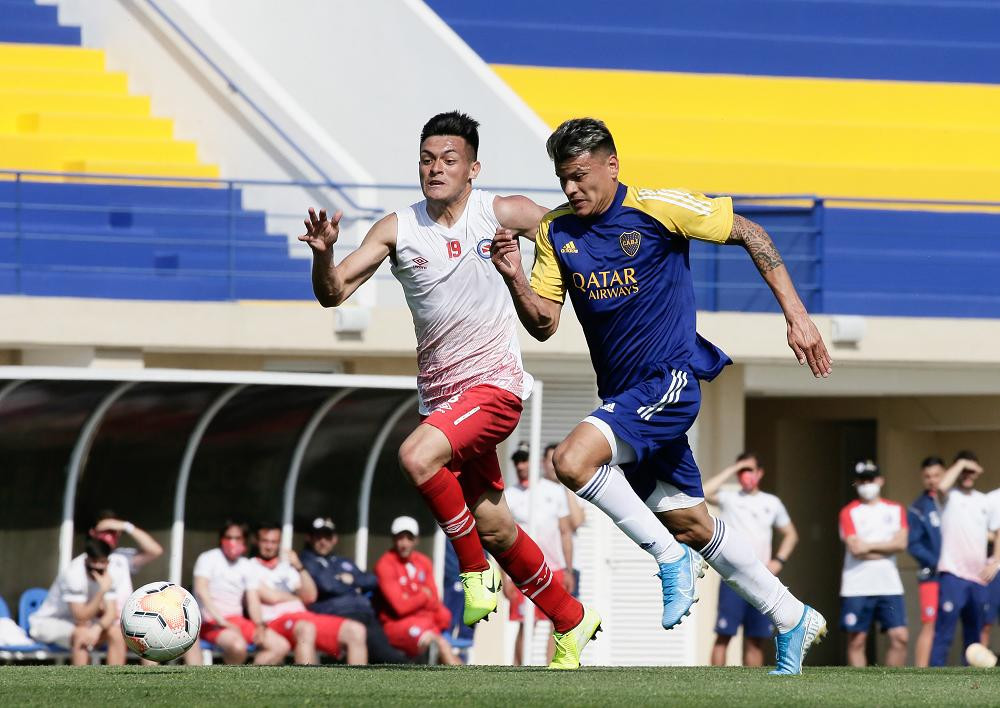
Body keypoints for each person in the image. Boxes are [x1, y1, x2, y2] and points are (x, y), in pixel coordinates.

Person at [490, 117, 830, 674]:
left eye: (579, 176)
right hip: (626, 396)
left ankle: (668, 560)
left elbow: (751, 232)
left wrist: (798, 318)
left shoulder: (656, 208)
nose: (572, 190)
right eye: (562, 180)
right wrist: (514, 278)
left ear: (611, 165)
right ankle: (791, 615)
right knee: (691, 522)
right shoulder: (556, 232)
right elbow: (545, 323)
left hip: (668, 381)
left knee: (570, 461)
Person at [300, 111, 599, 668]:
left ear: (473, 168)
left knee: (415, 455)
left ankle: (473, 573)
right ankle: (571, 619)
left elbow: (572, 231)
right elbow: (333, 292)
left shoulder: (499, 212)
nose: (436, 169)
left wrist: (588, 279)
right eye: (427, 159)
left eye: (449, 160)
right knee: (494, 523)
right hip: (444, 400)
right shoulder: (397, 228)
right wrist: (322, 254)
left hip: (495, 388)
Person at [703, 452, 798, 667]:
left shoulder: (771, 502)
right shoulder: (730, 498)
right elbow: (704, 492)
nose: (746, 475)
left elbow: (791, 534)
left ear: (760, 473)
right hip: (733, 577)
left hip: (761, 578)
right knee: (724, 635)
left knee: (756, 640)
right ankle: (714, 683)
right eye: (742, 471)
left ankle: (752, 688)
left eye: (750, 470)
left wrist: (779, 561)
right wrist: (732, 469)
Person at [250, 522, 367, 665]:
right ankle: (308, 686)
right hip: (274, 621)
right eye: (265, 541)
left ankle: (358, 686)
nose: (269, 546)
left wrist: (299, 567)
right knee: (306, 628)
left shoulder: (286, 567)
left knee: (356, 630)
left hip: (303, 617)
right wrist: (295, 598)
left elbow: (310, 596)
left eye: (274, 542)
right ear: (257, 542)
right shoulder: (249, 566)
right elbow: (271, 596)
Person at [300, 516, 410, 664]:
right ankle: (406, 666)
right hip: (336, 614)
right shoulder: (307, 561)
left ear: (335, 539)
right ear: (310, 538)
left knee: (383, 649)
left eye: (327, 537)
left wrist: (352, 580)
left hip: (364, 613)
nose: (323, 541)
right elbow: (326, 585)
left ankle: (404, 664)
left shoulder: (342, 561)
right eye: (318, 537)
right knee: (385, 656)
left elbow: (372, 580)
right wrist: (351, 585)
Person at [504, 447, 575, 664]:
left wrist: (568, 570)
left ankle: (550, 667)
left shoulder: (554, 491)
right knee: (526, 622)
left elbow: (565, 532)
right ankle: (518, 669)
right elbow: (502, 539)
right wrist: (506, 577)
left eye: (525, 461)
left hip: (553, 567)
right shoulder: (508, 495)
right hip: (523, 570)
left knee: (557, 621)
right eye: (517, 461)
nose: (521, 466)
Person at [930, 451, 1000, 666]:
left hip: (978, 578)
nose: (968, 474)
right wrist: (961, 463)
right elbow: (941, 486)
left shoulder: (984, 501)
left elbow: (997, 532)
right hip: (953, 574)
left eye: (972, 470)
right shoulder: (949, 496)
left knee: (975, 635)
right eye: (964, 470)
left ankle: (970, 678)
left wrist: (996, 562)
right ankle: (934, 677)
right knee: (945, 630)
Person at [837, 460, 908, 667]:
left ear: (880, 480)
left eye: (871, 479)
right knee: (857, 640)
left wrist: (868, 546)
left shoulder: (895, 509)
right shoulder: (848, 512)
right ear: (856, 483)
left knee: (899, 636)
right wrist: (887, 548)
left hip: (889, 583)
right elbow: (856, 549)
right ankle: (858, 688)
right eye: (862, 480)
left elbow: (901, 543)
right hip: (857, 585)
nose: (867, 484)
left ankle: (893, 686)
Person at [192, 520, 290, 665]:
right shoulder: (208, 558)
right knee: (238, 647)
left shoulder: (246, 565)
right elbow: (201, 590)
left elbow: (253, 600)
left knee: (281, 646)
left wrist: (260, 625)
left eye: (237, 538)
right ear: (221, 539)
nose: (233, 542)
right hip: (210, 622)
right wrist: (222, 621)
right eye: (229, 537)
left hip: (237, 621)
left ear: (244, 541)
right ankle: (228, 683)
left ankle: (250, 682)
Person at [374, 516, 459, 665]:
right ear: (393, 539)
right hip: (397, 626)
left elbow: (435, 601)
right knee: (439, 644)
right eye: (400, 538)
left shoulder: (423, 562)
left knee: (441, 633)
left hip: (426, 622)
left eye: (409, 538)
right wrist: (423, 595)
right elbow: (400, 607)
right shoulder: (385, 564)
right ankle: (465, 682)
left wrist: (412, 597)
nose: (404, 544)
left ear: (416, 540)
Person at [28, 537, 126, 665]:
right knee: (81, 634)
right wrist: (101, 592)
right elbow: (80, 617)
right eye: (94, 561)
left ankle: (116, 683)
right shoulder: (73, 573)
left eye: (102, 562)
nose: (98, 566)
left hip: (86, 625)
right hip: (48, 623)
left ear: (107, 561)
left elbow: (111, 614)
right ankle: (83, 682)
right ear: (87, 559)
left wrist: (97, 628)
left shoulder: (111, 573)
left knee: (116, 633)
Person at [907, 456, 945, 667]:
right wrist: (938, 562)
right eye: (928, 476)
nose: (933, 480)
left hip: (958, 575)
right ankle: (922, 672)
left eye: (937, 475)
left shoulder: (955, 502)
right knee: (929, 624)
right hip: (932, 574)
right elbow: (914, 544)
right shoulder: (918, 508)